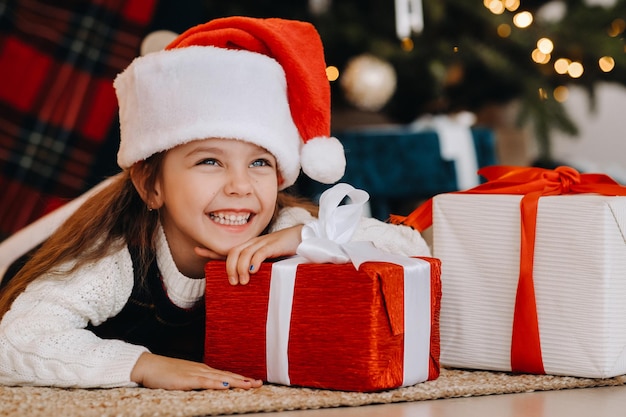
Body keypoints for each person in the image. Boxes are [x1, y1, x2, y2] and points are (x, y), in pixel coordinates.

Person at [0, 16, 431, 391]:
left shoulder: (284, 223)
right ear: (153, 186)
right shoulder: (113, 258)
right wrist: (144, 366)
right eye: (210, 161)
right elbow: (17, 339)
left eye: (260, 162)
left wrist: (310, 238)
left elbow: (414, 250)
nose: (241, 186)